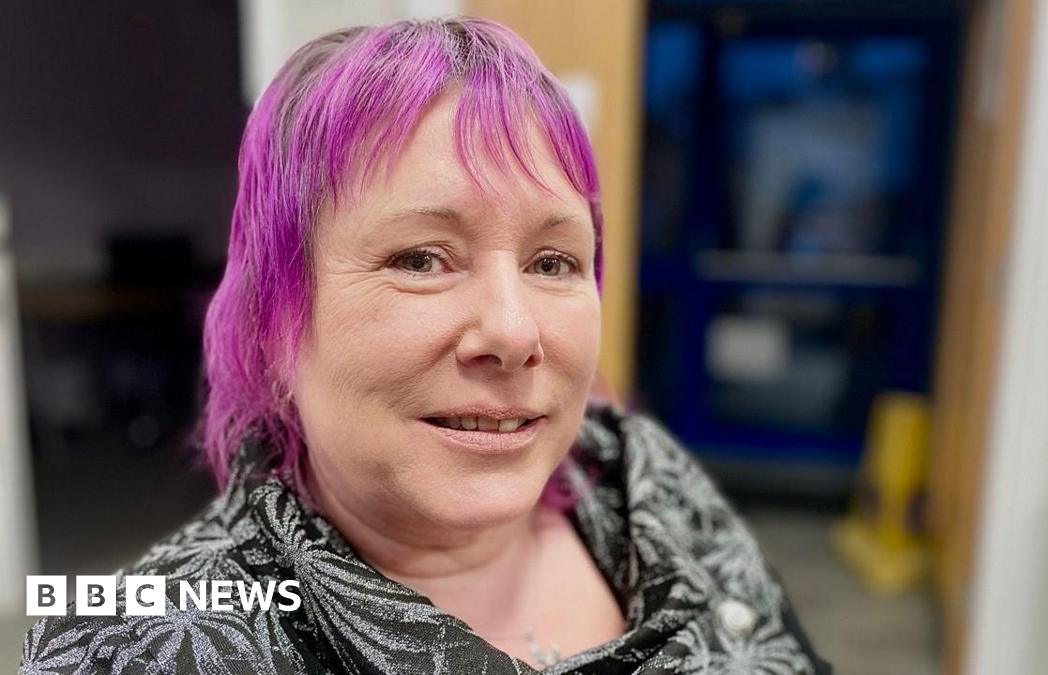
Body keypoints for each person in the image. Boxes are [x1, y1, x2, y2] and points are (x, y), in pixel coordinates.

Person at [22, 17, 831, 674]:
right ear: (272, 324)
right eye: (420, 259)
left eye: (553, 262)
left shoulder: (644, 478)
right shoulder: (139, 645)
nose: (512, 332)